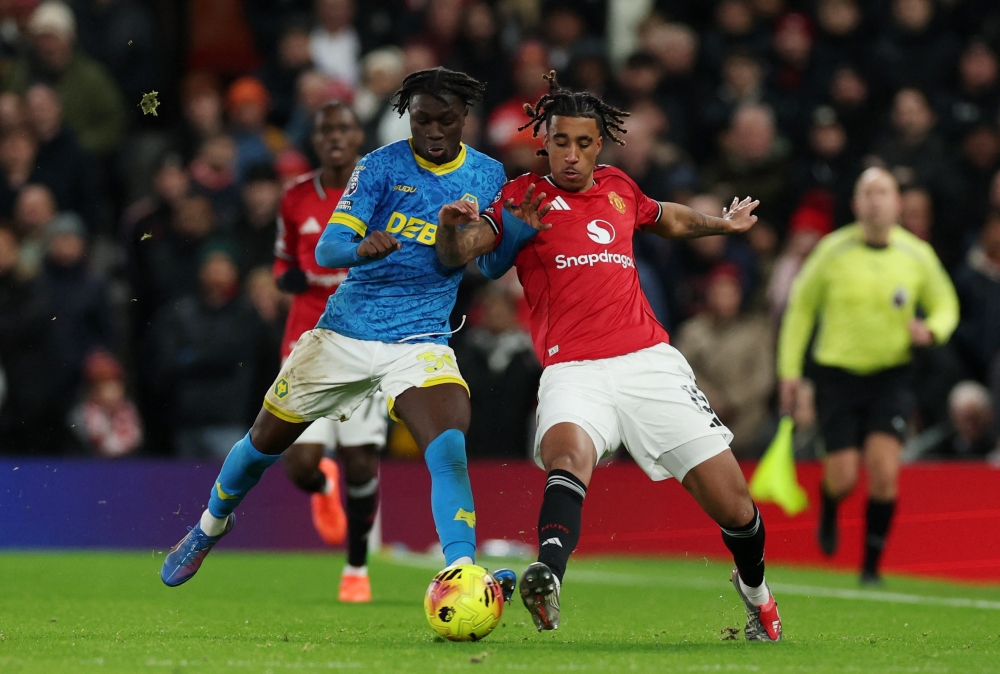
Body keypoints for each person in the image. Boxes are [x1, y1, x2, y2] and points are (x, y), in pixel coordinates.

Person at [435, 72, 781, 642]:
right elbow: (468, 251)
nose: (571, 155)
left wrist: (721, 223)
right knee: (566, 454)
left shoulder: (619, 186)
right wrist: (453, 233)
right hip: (572, 369)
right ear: (543, 140)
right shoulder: (523, 197)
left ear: (601, 144)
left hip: (648, 362)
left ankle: (758, 597)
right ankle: (548, 575)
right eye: (560, 142)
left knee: (735, 505)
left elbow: (662, 215)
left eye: (584, 143)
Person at [160, 68, 515, 597]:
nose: (434, 131)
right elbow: (327, 251)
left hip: (419, 341)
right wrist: (360, 246)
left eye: (446, 120)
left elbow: (486, 268)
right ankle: (210, 525)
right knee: (262, 444)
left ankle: (461, 570)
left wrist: (481, 235)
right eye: (422, 120)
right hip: (345, 332)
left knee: (448, 445)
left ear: (465, 118)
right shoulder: (378, 167)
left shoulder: (488, 175)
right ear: (407, 117)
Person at [777, 167, 959, 585]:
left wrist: (932, 329)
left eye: (883, 193)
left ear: (898, 204)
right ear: (856, 204)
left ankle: (871, 568)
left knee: (885, 472)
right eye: (867, 193)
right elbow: (800, 310)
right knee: (842, 476)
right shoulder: (832, 252)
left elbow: (946, 303)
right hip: (837, 376)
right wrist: (790, 371)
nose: (875, 201)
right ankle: (829, 502)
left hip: (891, 375)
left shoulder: (916, 255)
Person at [272, 100, 389, 602]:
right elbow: (282, 267)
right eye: (326, 131)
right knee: (298, 463)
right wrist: (294, 278)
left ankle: (357, 568)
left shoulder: (381, 195)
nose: (335, 137)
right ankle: (322, 487)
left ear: (358, 134)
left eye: (344, 128)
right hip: (307, 345)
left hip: (364, 342)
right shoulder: (295, 198)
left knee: (361, 462)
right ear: (316, 140)